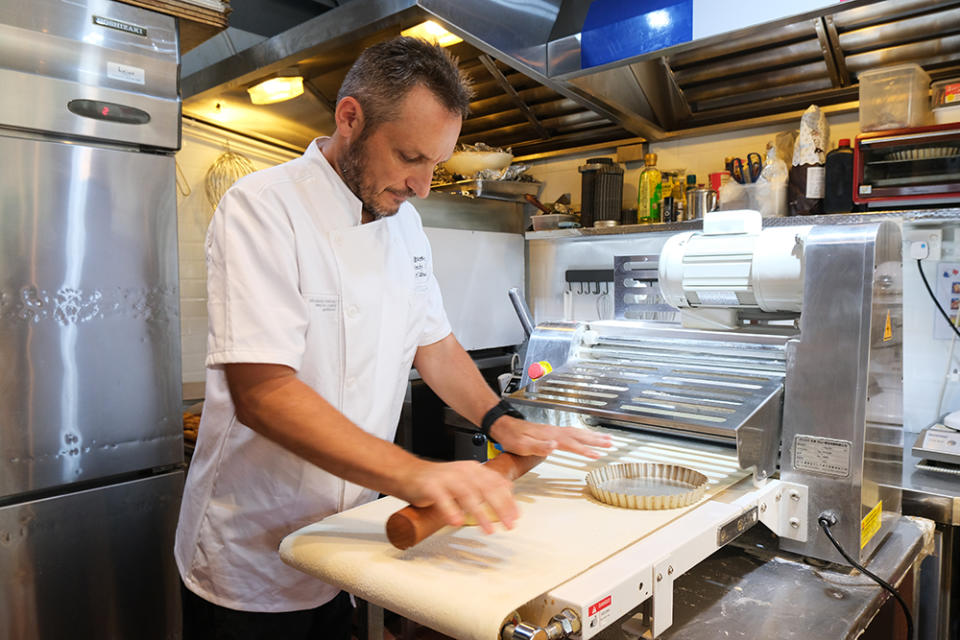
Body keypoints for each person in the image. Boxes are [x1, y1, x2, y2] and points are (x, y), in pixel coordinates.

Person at [174, 36, 610, 639]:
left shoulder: (403, 227)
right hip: (250, 556)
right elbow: (264, 393)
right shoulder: (262, 209)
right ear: (349, 118)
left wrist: (502, 422)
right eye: (411, 157)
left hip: (348, 544)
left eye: (437, 163)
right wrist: (416, 475)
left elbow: (434, 345)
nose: (424, 186)